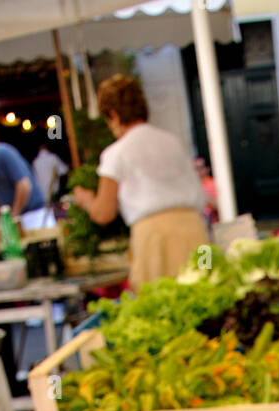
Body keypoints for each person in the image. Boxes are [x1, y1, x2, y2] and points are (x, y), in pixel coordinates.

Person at [73, 75, 207, 292]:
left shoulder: (116, 153)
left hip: (155, 238)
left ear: (114, 115)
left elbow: (103, 213)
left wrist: (86, 200)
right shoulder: (172, 141)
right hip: (196, 230)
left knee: (157, 304)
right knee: (206, 291)